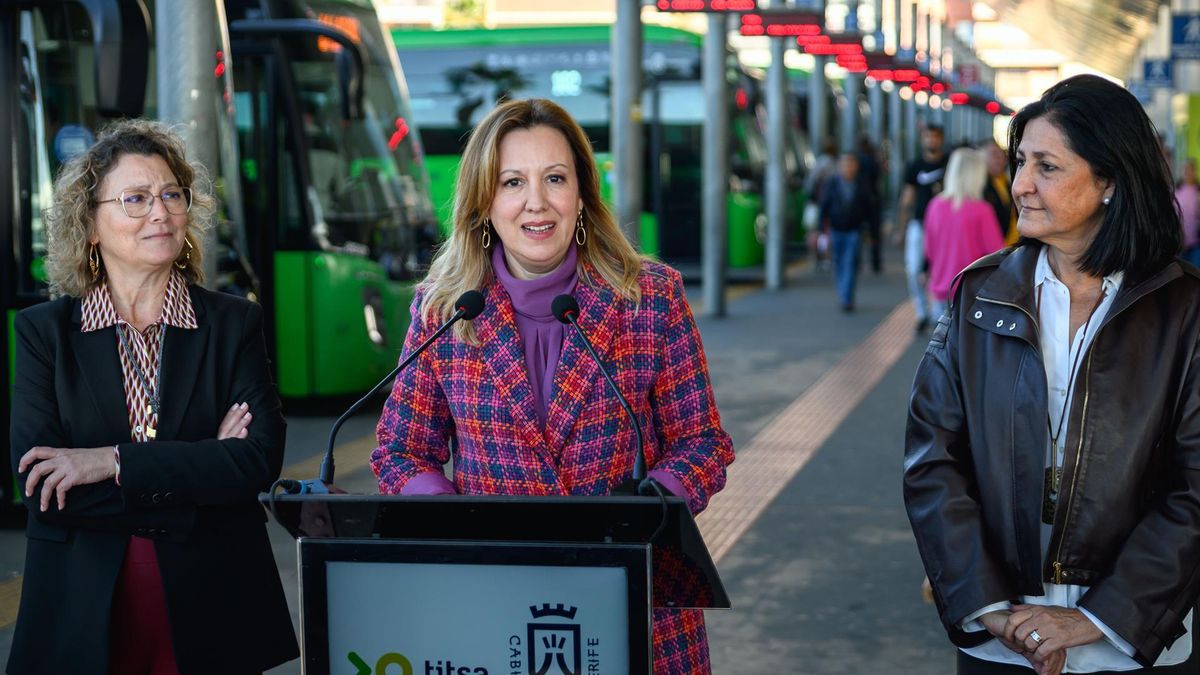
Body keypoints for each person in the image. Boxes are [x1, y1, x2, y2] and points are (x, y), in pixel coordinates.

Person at [370, 98, 735, 673]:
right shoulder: (443, 307)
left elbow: (703, 442)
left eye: (555, 179)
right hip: (492, 605)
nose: (536, 203)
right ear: (484, 202)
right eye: (512, 182)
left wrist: (648, 508)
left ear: (582, 195)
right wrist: (451, 522)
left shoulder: (651, 296)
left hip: (637, 603)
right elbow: (399, 449)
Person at [904, 74, 1200, 675]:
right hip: (1000, 637)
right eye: (1019, 162)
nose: (1019, 186)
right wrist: (986, 606)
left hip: (1136, 644)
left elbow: (1194, 486)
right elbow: (933, 458)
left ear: (1111, 180)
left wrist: (1097, 618)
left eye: (1047, 167)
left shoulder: (1184, 311)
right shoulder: (980, 297)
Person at [8, 119, 299, 675]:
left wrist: (108, 462)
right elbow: (41, 486)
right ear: (90, 224)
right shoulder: (43, 333)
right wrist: (201, 465)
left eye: (171, 194)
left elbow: (256, 462)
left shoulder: (233, 323)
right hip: (82, 601)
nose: (160, 212)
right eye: (135, 199)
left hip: (211, 596)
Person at [923, 147, 1005, 320]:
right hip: (971, 293)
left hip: (940, 290)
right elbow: (996, 254)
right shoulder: (982, 210)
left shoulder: (935, 205)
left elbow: (929, 250)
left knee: (942, 344)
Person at [898, 123, 948, 332]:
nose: (931, 141)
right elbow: (907, 198)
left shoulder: (949, 163)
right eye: (928, 137)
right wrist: (900, 228)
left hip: (945, 227)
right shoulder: (914, 166)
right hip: (919, 224)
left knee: (940, 268)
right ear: (922, 139)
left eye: (935, 137)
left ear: (941, 140)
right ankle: (921, 312)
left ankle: (939, 311)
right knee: (913, 269)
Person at [818, 152, 877, 311]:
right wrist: (820, 229)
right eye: (845, 164)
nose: (848, 168)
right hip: (836, 229)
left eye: (851, 164)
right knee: (838, 262)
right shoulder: (832, 184)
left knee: (850, 262)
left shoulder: (862, 184)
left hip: (854, 229)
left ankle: (846, 297)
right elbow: (824, 206)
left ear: (856, 166)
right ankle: (843, 293)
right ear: (839, 166)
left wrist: (872, 231)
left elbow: (870, 210)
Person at [982, 141, 1019, 245]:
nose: (1000, 158)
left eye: (1002, 154)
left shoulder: (1009, 181)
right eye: (994, 154)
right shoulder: (979, 186)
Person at [1176, 158, 1200, 267]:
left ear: (1194, 171)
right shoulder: (1175, 191)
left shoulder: (1198, 191)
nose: (1186, 171)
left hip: (1196, 244)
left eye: (1189, 169)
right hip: (1179, 243)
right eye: (1184, 169)